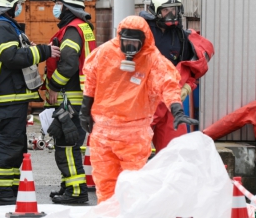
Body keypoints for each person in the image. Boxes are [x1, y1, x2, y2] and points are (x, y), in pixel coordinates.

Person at [80, 15, 198, 203]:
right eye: (126, 43)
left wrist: (176, 109)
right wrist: (84, 110)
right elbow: (91, 80)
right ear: (120, 38)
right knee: (105, 183)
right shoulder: (106, 53)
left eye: (135, 44)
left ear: (144, 40)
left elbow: (167, 84)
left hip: (134, 133)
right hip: (103, 132)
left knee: (132, 185)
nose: (131, 49)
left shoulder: (151, 59)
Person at [0, 0, 60, 206]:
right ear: (10, 4)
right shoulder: (1, 26)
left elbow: (13, 53)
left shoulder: (3, 25)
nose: (21, 7)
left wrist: (28, 47)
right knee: (8, 146)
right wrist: (43, 50)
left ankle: (9, 189)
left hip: (13, 97)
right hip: (9, 97)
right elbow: (11, 57)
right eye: (19, 3)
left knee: (15, 147)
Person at [140, 0, 214, 152]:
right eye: (166, 10)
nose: (171, 14)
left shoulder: (180, 36)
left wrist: (188, 86)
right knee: (134, 152)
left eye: (174, 10)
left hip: (170, 104)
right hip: (143, 102)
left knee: (175, 153)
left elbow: (190, 66)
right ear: (156, 11)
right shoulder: (141, 31)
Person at [42, 0, 96, 204]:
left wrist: (53, 86)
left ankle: (76, 192)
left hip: (70, 99)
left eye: (58, 4)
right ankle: (68, 187)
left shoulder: (72, 30)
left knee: (67, 146)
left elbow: (69, 64)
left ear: (66, 7)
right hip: (77, 98)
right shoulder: (80, 27)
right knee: (67, 145)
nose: (55, 7)